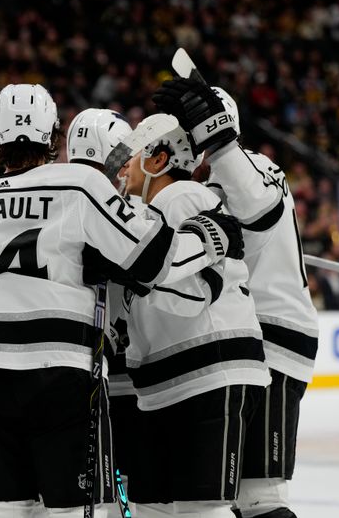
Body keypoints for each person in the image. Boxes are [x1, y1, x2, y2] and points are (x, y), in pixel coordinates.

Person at [0, 84, 245, 517]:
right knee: (72, 509)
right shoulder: (80, 185)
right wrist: (211, 237)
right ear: (53, 136)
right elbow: (153, 259)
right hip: (60, 373)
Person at [154, 80, 319, 518]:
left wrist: (222, 144)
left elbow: (260, 211)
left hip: (276, 340)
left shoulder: (254, 167)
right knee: (231, 497)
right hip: (246, 345)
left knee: (260, 496)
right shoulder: (208, 185)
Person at [117, 112, 271, 518]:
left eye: (131, 157)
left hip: (209, 373)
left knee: (201, 509)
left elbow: (188, 291)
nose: (123, 166)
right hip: (169, 383)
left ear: (157, 160)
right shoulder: (152, 210)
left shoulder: (181, 197)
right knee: (152, 507)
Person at [66, 108, 137, 518]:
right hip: (94, 367)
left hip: (108, 366)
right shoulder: (100, 203)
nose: (127, 167)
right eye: (122, 156)